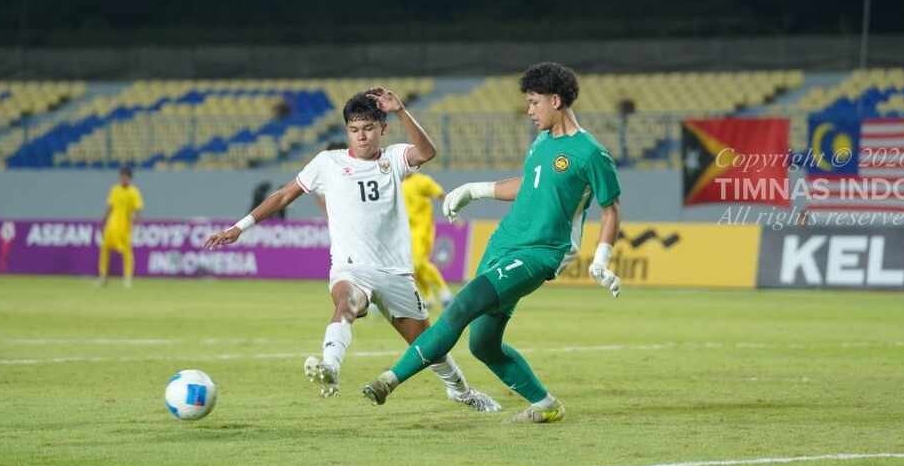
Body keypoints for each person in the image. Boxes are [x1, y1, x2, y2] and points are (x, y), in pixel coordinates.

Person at [203, 88, 499, 413]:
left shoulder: (393, 158)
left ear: (382, 129)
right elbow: (284, 196)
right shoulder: (327, 163)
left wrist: (400, 110)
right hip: (350, 267)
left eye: (369, 128)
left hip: (395, 272)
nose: (362, 136)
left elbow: (427, 152)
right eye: (355, 129)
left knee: (429, 346)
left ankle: (461, 391)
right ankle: (330, 366)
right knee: (348, 302)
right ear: (346, 131)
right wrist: (239, 227)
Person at [361, 63, 623, 423]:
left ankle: (388, 381)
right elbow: (531, 185)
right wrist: (476, 190)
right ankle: (547, 405)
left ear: (556, 100)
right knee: (482, 344)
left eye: (534, 103)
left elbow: (611, 209)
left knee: (462, 305)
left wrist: (602, 259)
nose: (529, 111)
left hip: (540, 254)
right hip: (503, 245)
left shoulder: (591, 153)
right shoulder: (543, 142)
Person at [402, 172, 454, 310]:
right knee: (413, 267)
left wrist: (453, 208)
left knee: (419, 263)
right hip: (408, 232)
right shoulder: (399, 183)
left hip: (423, 229)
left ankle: (444, 292)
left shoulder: (422, 181)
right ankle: (427, 297)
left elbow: (440, 194)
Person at [98, 166, 144, 288]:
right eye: (121, 177)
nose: (123, 179)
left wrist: (138, 223)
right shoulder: (115, 190)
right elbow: (110, 206)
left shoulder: (134, 192)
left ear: (130, 178)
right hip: (112, 225)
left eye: (125, 177)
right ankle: (103, 277)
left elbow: (138, 209)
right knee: (105, 248)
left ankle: (127, 278)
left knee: (127, 252)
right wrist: (103, 220)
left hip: (125, 227)